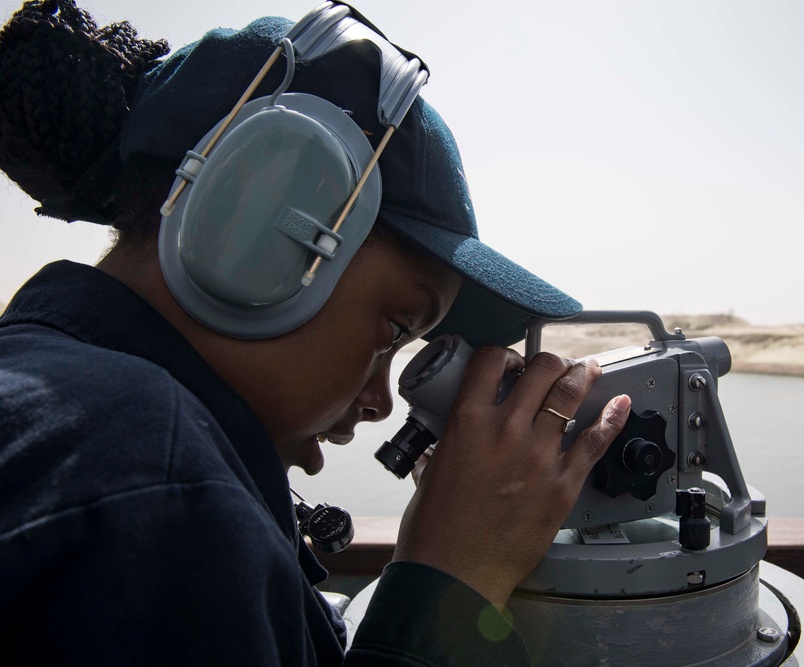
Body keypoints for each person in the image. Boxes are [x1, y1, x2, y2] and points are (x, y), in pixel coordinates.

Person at [0, 1, 631, 664]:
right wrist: (449, 583)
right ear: (257, 226)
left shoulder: (83, 426)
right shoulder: (152, 486)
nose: (382, 401)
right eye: (394, 326)